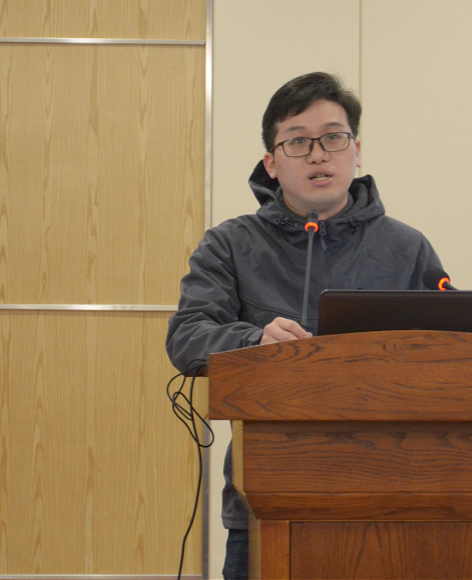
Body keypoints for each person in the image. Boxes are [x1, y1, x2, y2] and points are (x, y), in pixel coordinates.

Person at [166, 72, 443, 580]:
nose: (318, 155)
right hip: (267, 496)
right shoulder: (230, 244)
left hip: (390, 495)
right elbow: (187, 336)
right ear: (272, 163)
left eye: (333, 138)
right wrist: (255, 339)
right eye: (298, 142)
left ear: (356, 150)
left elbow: (448, 350)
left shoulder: (406, 247)